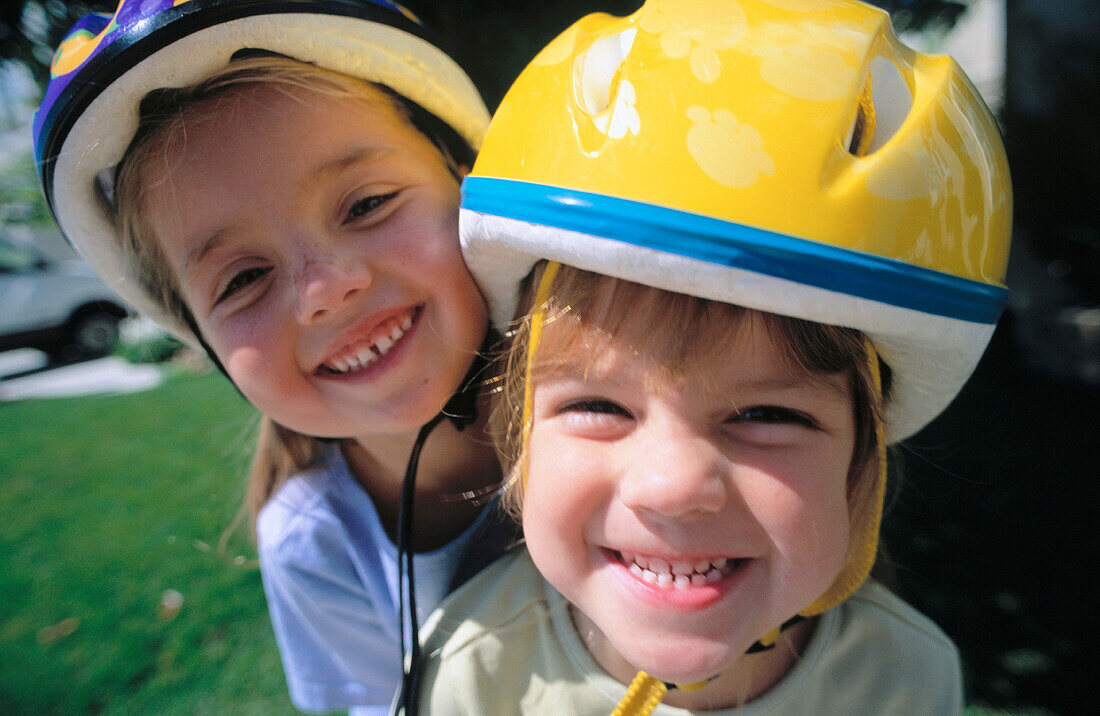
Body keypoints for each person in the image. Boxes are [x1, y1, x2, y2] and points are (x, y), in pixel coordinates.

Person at [412, 0, 1012, 713]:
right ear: (518, 435)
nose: (671, 486)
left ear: (863, 463)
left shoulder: (906, 680)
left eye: (766, 414)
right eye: (598, 405)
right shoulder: (473, 675)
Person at [33, 2, 509, 713]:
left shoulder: (632, 393)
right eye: (244, 278)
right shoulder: (313, 542)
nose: (324, 289)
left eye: (367, 204)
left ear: (466, 179)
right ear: (207, 344)